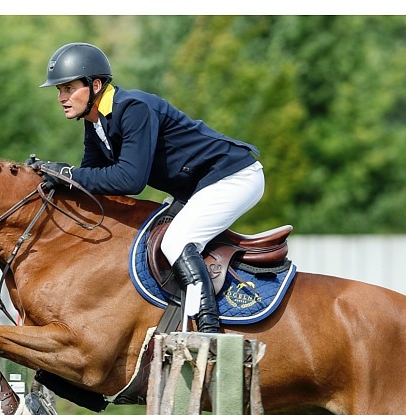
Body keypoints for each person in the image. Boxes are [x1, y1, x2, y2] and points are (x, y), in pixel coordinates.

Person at [37, 42, 265, 334]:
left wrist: (68, 174)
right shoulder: (95, 124)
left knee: (176, 241)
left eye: (68, 88)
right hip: (199, 187)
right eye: (59, 90)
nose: (61, 97)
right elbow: (92, 179)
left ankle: (209, 330)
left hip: (234, 176)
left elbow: (129, 180)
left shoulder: (133, 109)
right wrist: (57, 182)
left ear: (95, 85)